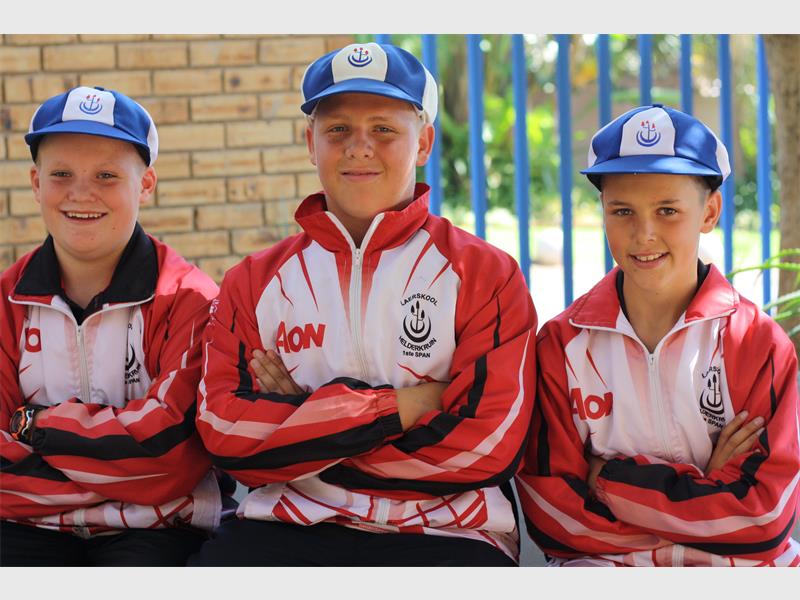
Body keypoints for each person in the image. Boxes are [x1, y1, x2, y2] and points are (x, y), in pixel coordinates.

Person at [190, 42, 537, 566]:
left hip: (447, 531)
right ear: (310, 143)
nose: (359, 147)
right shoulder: (254, 281)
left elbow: (486, 445)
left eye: (383, 129)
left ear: (423, 142)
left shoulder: (485, 274)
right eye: (337, 130)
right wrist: (408, 407)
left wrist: (304, 424)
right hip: (288, 522)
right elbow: (226, 436)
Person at [516, 104, 800, 567]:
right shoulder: (561, 346)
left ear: (710, 211)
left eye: (668, 210)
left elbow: (763, 522)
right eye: (622, 211)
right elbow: (555, 521)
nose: (644, 234)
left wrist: (605, 479)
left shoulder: (756, 343)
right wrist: (704, 486)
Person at [0, 86, 222, 566]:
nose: (81, 193)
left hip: (158, 530)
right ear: (36, 183)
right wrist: (118, 460)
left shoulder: (190, 300)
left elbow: (168, 458)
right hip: (24, 528)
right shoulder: (4, 300)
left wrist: (33, 426)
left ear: (145, 184)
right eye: (61, 174)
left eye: (106, 175)